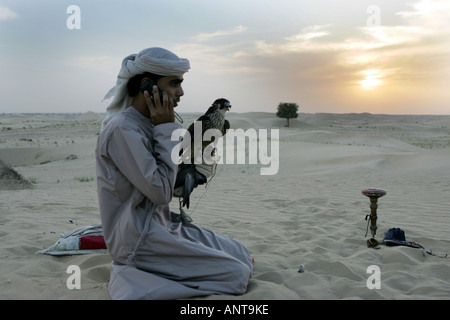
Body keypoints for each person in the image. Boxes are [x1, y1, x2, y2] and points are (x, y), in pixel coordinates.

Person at [95, 47, 253, 300]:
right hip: (137, 238)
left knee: (241, 252)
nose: (181, 92)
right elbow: (159, 192)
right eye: (174, 83)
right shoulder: (123, 130)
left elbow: (166, 175)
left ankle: (163, 269)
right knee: (236, 275)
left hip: (163, 225)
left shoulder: (150, 124)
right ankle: (131, 281)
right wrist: (168, 128)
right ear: (147, 87)